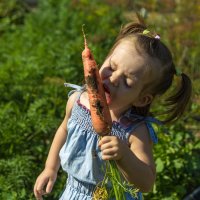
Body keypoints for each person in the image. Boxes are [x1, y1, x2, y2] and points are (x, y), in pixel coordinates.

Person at [33, 17, 192, 200]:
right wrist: (51, 167)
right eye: (111, 67)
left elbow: (147, 183)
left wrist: (124, 155)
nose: (113, 79)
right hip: (74, 193)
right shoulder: (77, 101)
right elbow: (63, 130)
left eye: (127, 81)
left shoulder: (134, 130)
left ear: (142, 99)